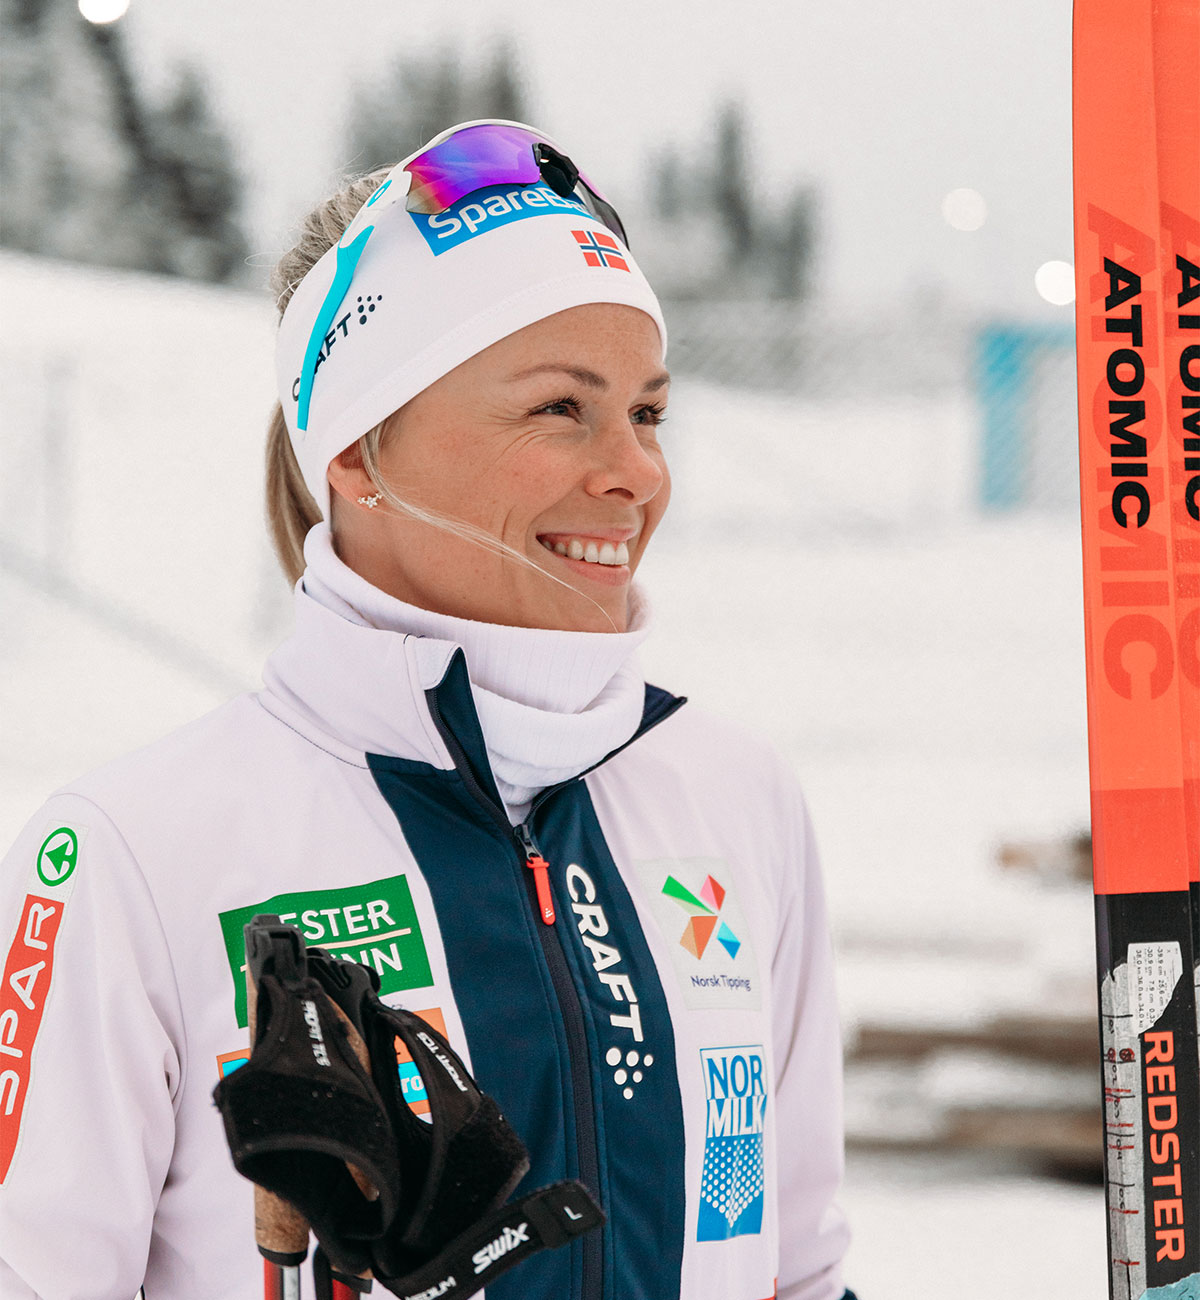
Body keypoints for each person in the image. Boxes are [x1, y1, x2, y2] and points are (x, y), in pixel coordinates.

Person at [0, 120, 854, 1300]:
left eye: (648, 413)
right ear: (358, 448)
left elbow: (798, 1270)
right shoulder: (134, 852)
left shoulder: (735, 800)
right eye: (563, 408)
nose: (636, 471)